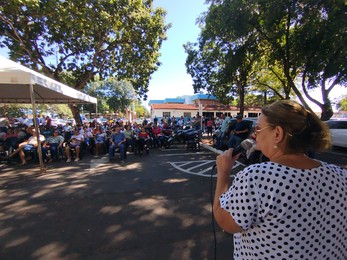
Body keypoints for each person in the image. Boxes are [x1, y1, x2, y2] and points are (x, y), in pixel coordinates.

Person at [213, 100, 347, 259]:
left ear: (277, 133)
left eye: (258, 129)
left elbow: (225, 222)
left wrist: (223, 172)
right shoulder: (341, 175)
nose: (254, 135)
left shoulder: (257, 177)